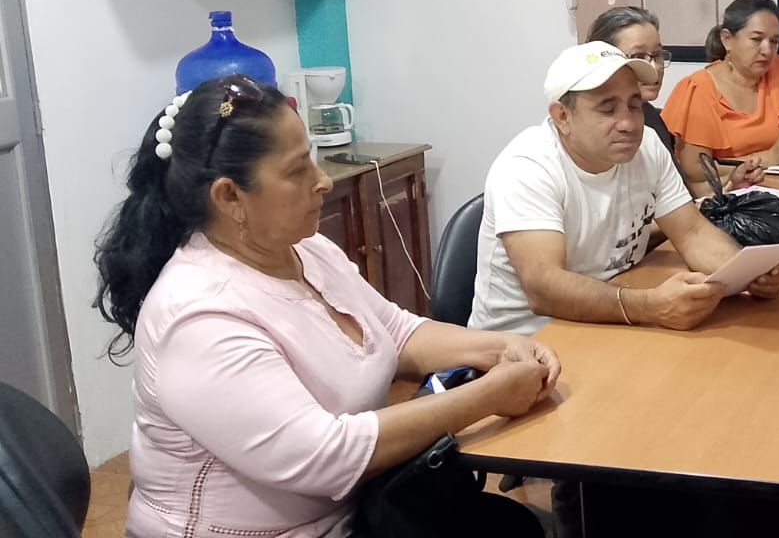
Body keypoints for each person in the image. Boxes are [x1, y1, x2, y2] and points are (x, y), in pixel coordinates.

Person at [93, 75, 559, 538]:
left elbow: (395, 331)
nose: (320, 181)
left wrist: (498, 347)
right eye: (297, 170)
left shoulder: (305, 249)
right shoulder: (199, 316)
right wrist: (489, 396)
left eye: (312, 159)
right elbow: (324, 455)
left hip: (356, 511)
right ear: (230, 196)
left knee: (512, 527)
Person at [469, 41, 779, 336]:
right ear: (562, 117)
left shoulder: (647, 146)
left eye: (634, 106)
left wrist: (747, 275)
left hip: (610, 319)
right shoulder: (528, 166)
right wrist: (649, 306)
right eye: (607, 109)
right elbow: (543, 288)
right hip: (523, 343)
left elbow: (692, 233)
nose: (628, 124)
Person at [586, 5, 765, 197]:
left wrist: (730, 183)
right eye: (638, 57)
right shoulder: (597, 131)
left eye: (657, 55)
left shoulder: (652, 119)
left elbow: (678, 196)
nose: (655, 67)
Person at [661, 0, 779, 177]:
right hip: (732, 189)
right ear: (727, 40)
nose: (767, 50)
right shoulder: (698, 89)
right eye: (756, 39)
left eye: (774, 41)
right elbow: (695, 170)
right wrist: (768, 158)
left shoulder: (778, 69)